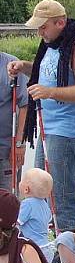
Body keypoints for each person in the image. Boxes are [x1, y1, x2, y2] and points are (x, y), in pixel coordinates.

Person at [7, 0, 75, 233]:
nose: (40, 32)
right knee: (40, 193)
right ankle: (48, 246)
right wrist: (24, 67)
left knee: (61, 198)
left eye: (43, 27)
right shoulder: (51, 45)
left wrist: (49, 92)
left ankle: (71, 254)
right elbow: (43, 72)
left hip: (67, 131)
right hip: (49, 128)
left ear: (60, 22)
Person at [0, 51, 27, 192]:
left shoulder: (12, 65)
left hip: (5, 152)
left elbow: (25, 105)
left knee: (8, 203)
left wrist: (19, 143)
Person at [16, 168, 53, 260]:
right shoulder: (44, 204)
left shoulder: (27, 204)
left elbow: (16, 222)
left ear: (26, 189)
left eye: (21, 181)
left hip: (32, 248)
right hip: (46, 247)